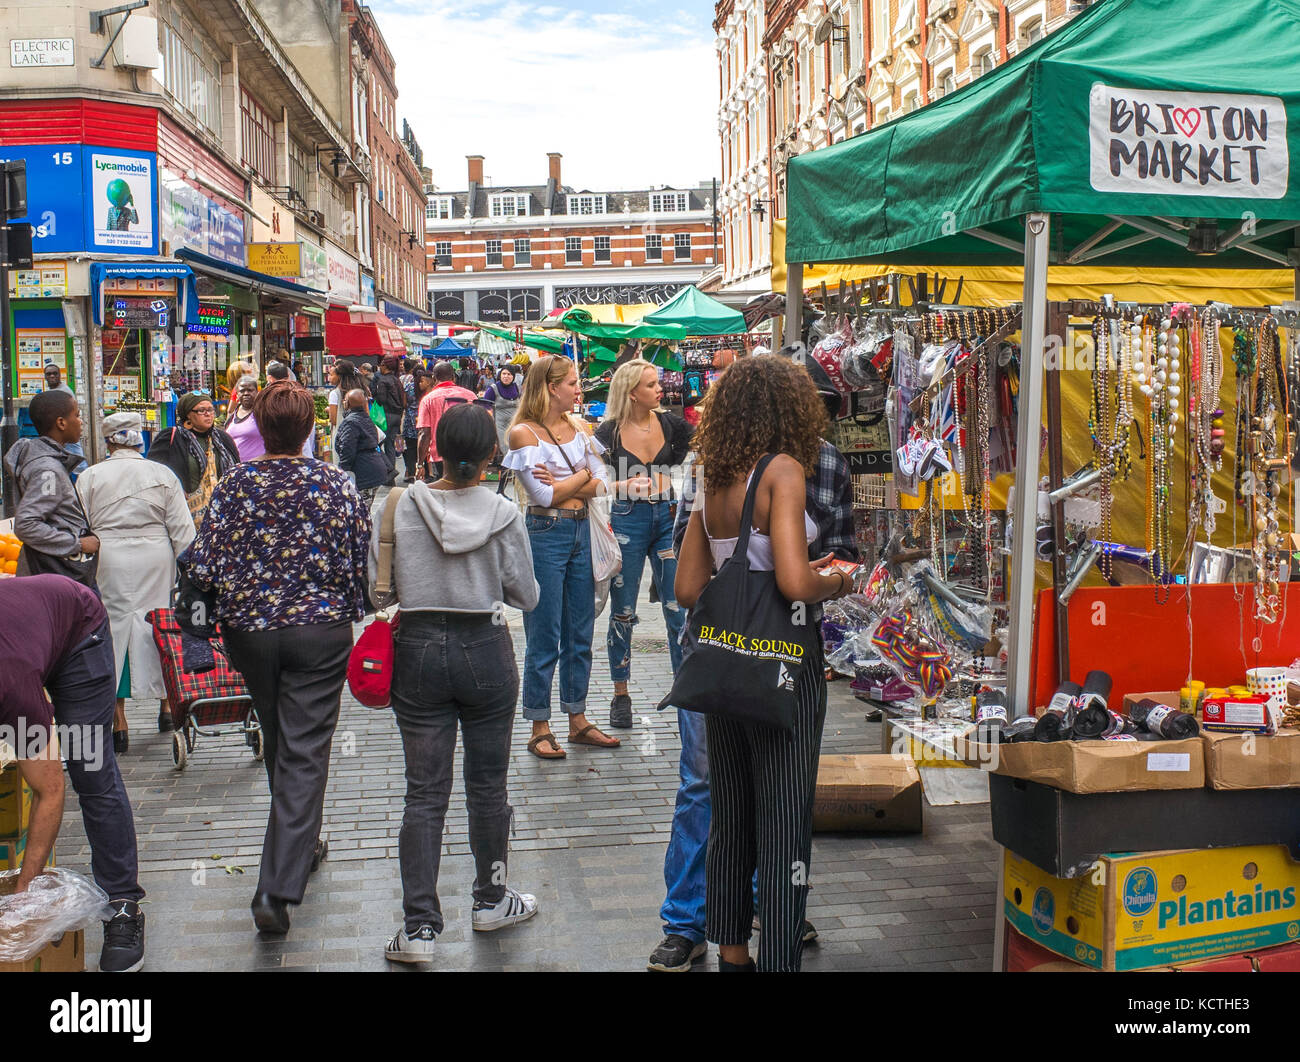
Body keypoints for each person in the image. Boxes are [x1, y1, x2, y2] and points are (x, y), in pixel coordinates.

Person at [648, 372, 857, 972]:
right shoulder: (783, 472)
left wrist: (742, 570)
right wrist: (837, 579)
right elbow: (795, 583)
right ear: (790, 410)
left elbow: (687, 588)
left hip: (723, 669)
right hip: (783, 665)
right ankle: (780, 959)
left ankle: (732, 954)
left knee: (732, 813)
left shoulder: (712, 479)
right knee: (786, 816)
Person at [184, 381, 371, 935]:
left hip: (251, 632)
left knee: (281, 739)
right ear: (310, 428)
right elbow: (358, 559)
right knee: (304, 750)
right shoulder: (336, 484)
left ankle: (298, 844)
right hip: (319, 631)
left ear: (259, 430)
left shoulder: (236, 485)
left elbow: (206, 558)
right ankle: (277, 884)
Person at [375, 403, 542, 962]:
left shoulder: (401, 506)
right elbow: (526, 596)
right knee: (488, 787)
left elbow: (381, 588)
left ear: (434, 449)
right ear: (493, 455)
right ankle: (491, 900)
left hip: (417, 648)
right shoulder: (504, 513)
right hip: (485, 648)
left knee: (423, 793)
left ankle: (419, 927)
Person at [0, 574, 147, 972]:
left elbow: (50, 789)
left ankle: (123, 908)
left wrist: (21, 898)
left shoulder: (9, 685)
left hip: (79, 630)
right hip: (29, 626)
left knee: (90, 769)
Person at [502, 354, 619, 759]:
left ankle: (577, 718)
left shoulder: (581, 428)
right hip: (546, 532)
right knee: (544, 633)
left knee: (579, 631)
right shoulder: (523, 434)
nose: (578, 388)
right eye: (572, 382)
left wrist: (576, 480)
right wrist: (584, 476)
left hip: (581, 529)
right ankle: (539, 725)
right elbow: (543, 496)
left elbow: (605, 482)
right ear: (551, 387)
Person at [76, 412, 195, 754]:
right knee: (156, 625)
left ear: (109, 440)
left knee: (110, 631)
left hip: (108, 557)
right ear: (139, 439)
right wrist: (192, 571)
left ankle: (118, 723)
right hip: (155, 556)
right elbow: (183, 531)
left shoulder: (90, 476)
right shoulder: (162, 474)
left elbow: (80, 525)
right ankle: (167, 707)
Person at [593, 359, 693, 730]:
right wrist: (621, 486)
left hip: (667, 517)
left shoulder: (671, 424)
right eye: (652, 385)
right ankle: (621, 694)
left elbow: (696, 447)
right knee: (623, 611)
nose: (661, 389)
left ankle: (684, 690)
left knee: (677, 607)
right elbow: (591, 477)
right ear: (632, 392)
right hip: (626, 520)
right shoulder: (609, 433)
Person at [3, 390, 99, 583]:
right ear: (61, 423)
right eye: (77, 416)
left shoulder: (48, 462)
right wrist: (77, 544)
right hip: (57, 573)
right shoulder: (48, 470)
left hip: (55, 570)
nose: (81, 422)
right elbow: (26, 525)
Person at [145, 391, 239, 530]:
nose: (208, 414)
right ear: (188, 414)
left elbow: (236, 470)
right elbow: (153, 473)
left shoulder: (223, 439)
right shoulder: (171, 437)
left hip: (222, 517)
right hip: (183, 517)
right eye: (202, 410)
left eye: (210, 410)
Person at [416, 361, 477, 482]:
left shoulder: (428, 400)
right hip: (469, 453)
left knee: (445, 489)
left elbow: (424, 434)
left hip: (441, 454)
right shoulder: (471, 395)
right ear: (454, 377)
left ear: (433, 378)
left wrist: (420, 464)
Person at [334, 388, 391, 506]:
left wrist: (343, 473)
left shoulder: (350, 422)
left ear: (348, 404)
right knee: (365, 510)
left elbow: (347, 449)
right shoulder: (366, 419)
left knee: (359, 509)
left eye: (345, 400)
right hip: (374, 471)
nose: (343, 402)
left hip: (363, 473)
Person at [372, 355, 407, 476]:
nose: (379, 367)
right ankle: (390, 473)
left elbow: (381, 399)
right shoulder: (396, 380)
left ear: (385, 366)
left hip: (385, 417)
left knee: (375, 444)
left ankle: (389, 471)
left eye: (381, 364)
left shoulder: (383, 380)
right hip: (397, 417)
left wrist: (375, 394)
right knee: (390, 445)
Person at [326, 361, 368, 460]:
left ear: (340, 376)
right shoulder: (361, 392)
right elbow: (367, 414)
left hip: (342, 436)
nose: (329, 377)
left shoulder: (335, 394)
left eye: (332, 374)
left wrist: (329, 411)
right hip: (361, 435)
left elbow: (333, 420)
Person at [400, 367, 432, 483]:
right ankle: (427, 474)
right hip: (424, 419)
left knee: (410, 448)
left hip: (410, 420)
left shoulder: (409, 386)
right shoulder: (427, 387)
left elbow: (404, 403)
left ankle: (411, 473)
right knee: (425, 447)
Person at [481, 365, 521, 457]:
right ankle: (508, 469)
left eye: (509, 374)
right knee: (506, 449)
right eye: (504, 374)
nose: (506, 376)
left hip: (515, 424)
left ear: (513, 376)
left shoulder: (516, 387)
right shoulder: (493, 389)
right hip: (500, 424)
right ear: (500, 375)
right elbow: (485, 406)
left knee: (517, 447)